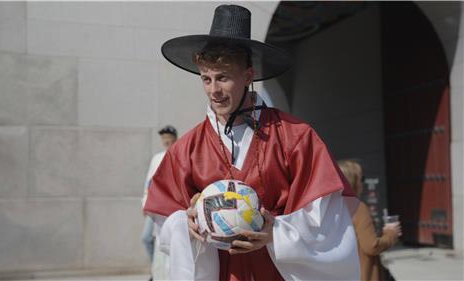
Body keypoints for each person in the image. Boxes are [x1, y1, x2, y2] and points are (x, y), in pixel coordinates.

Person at [143, 4, 361, 280]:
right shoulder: (186, 149)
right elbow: (165, 217)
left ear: (248, 76)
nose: (214, 91)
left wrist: (276, 233)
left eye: (223, 78)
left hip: (276, 272)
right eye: (206, 79)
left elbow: (328, 218)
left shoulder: (295, 136)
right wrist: (185, 223)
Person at [338, 159, 402, 281]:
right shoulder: (358, 207)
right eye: (362, 179)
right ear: (352, 181)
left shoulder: (331, 208)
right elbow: (371, 246)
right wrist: (391, 234)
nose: (363, 183)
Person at [141, 125, 177, 281]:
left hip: (170, 207)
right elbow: (149, 182)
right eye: (164, 138)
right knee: (147, 238)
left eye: (168, 137)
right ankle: (156, 271)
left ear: (174, 138)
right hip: (154, 206)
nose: (166, 140)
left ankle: (167, 274)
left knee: (168, 242)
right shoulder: (157, 158)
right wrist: (145, 203)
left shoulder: (178, 154)